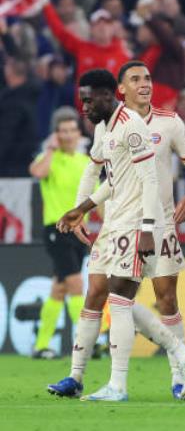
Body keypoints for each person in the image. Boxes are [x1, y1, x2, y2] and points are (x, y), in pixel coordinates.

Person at [47, 69, 185, 402]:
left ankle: (131, 381)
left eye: (89, 100)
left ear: (109, 95)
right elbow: (113, 179)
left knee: (133, 299)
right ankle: (80, 377)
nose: (84, 108)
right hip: (117, 223)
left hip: (141, 224)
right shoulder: (108, 126)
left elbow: (150, 180)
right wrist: (83, 208)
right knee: (103, 295)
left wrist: (149, 228)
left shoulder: (135, 127)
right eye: (83, 101)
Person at [29, 108, 89, 359]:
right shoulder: (48, 158)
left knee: (59, 289)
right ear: (56, 134)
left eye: (72, 130)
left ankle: (42, 344)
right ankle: (88, 343)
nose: (68, 135)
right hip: (56, 229)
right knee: (76, 283)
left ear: (78, 133)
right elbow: (38, 173)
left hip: (79, 232)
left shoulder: (86, 162)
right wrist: (51, 150)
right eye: (62, 131)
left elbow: (97, 199)